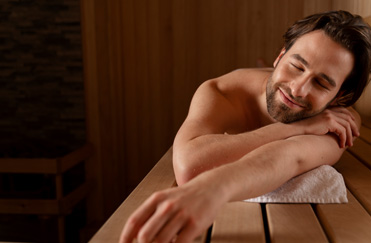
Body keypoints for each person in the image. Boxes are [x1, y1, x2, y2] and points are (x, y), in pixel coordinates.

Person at [120, 10, 371, 243]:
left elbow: (290, 156)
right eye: (296, 66)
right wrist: (296, 128)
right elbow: (189, 165)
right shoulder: (223, 90)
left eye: (321, 83)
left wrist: (214, 189)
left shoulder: (340, 122)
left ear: (339, 97)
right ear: (280, 56)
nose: (298, 89)